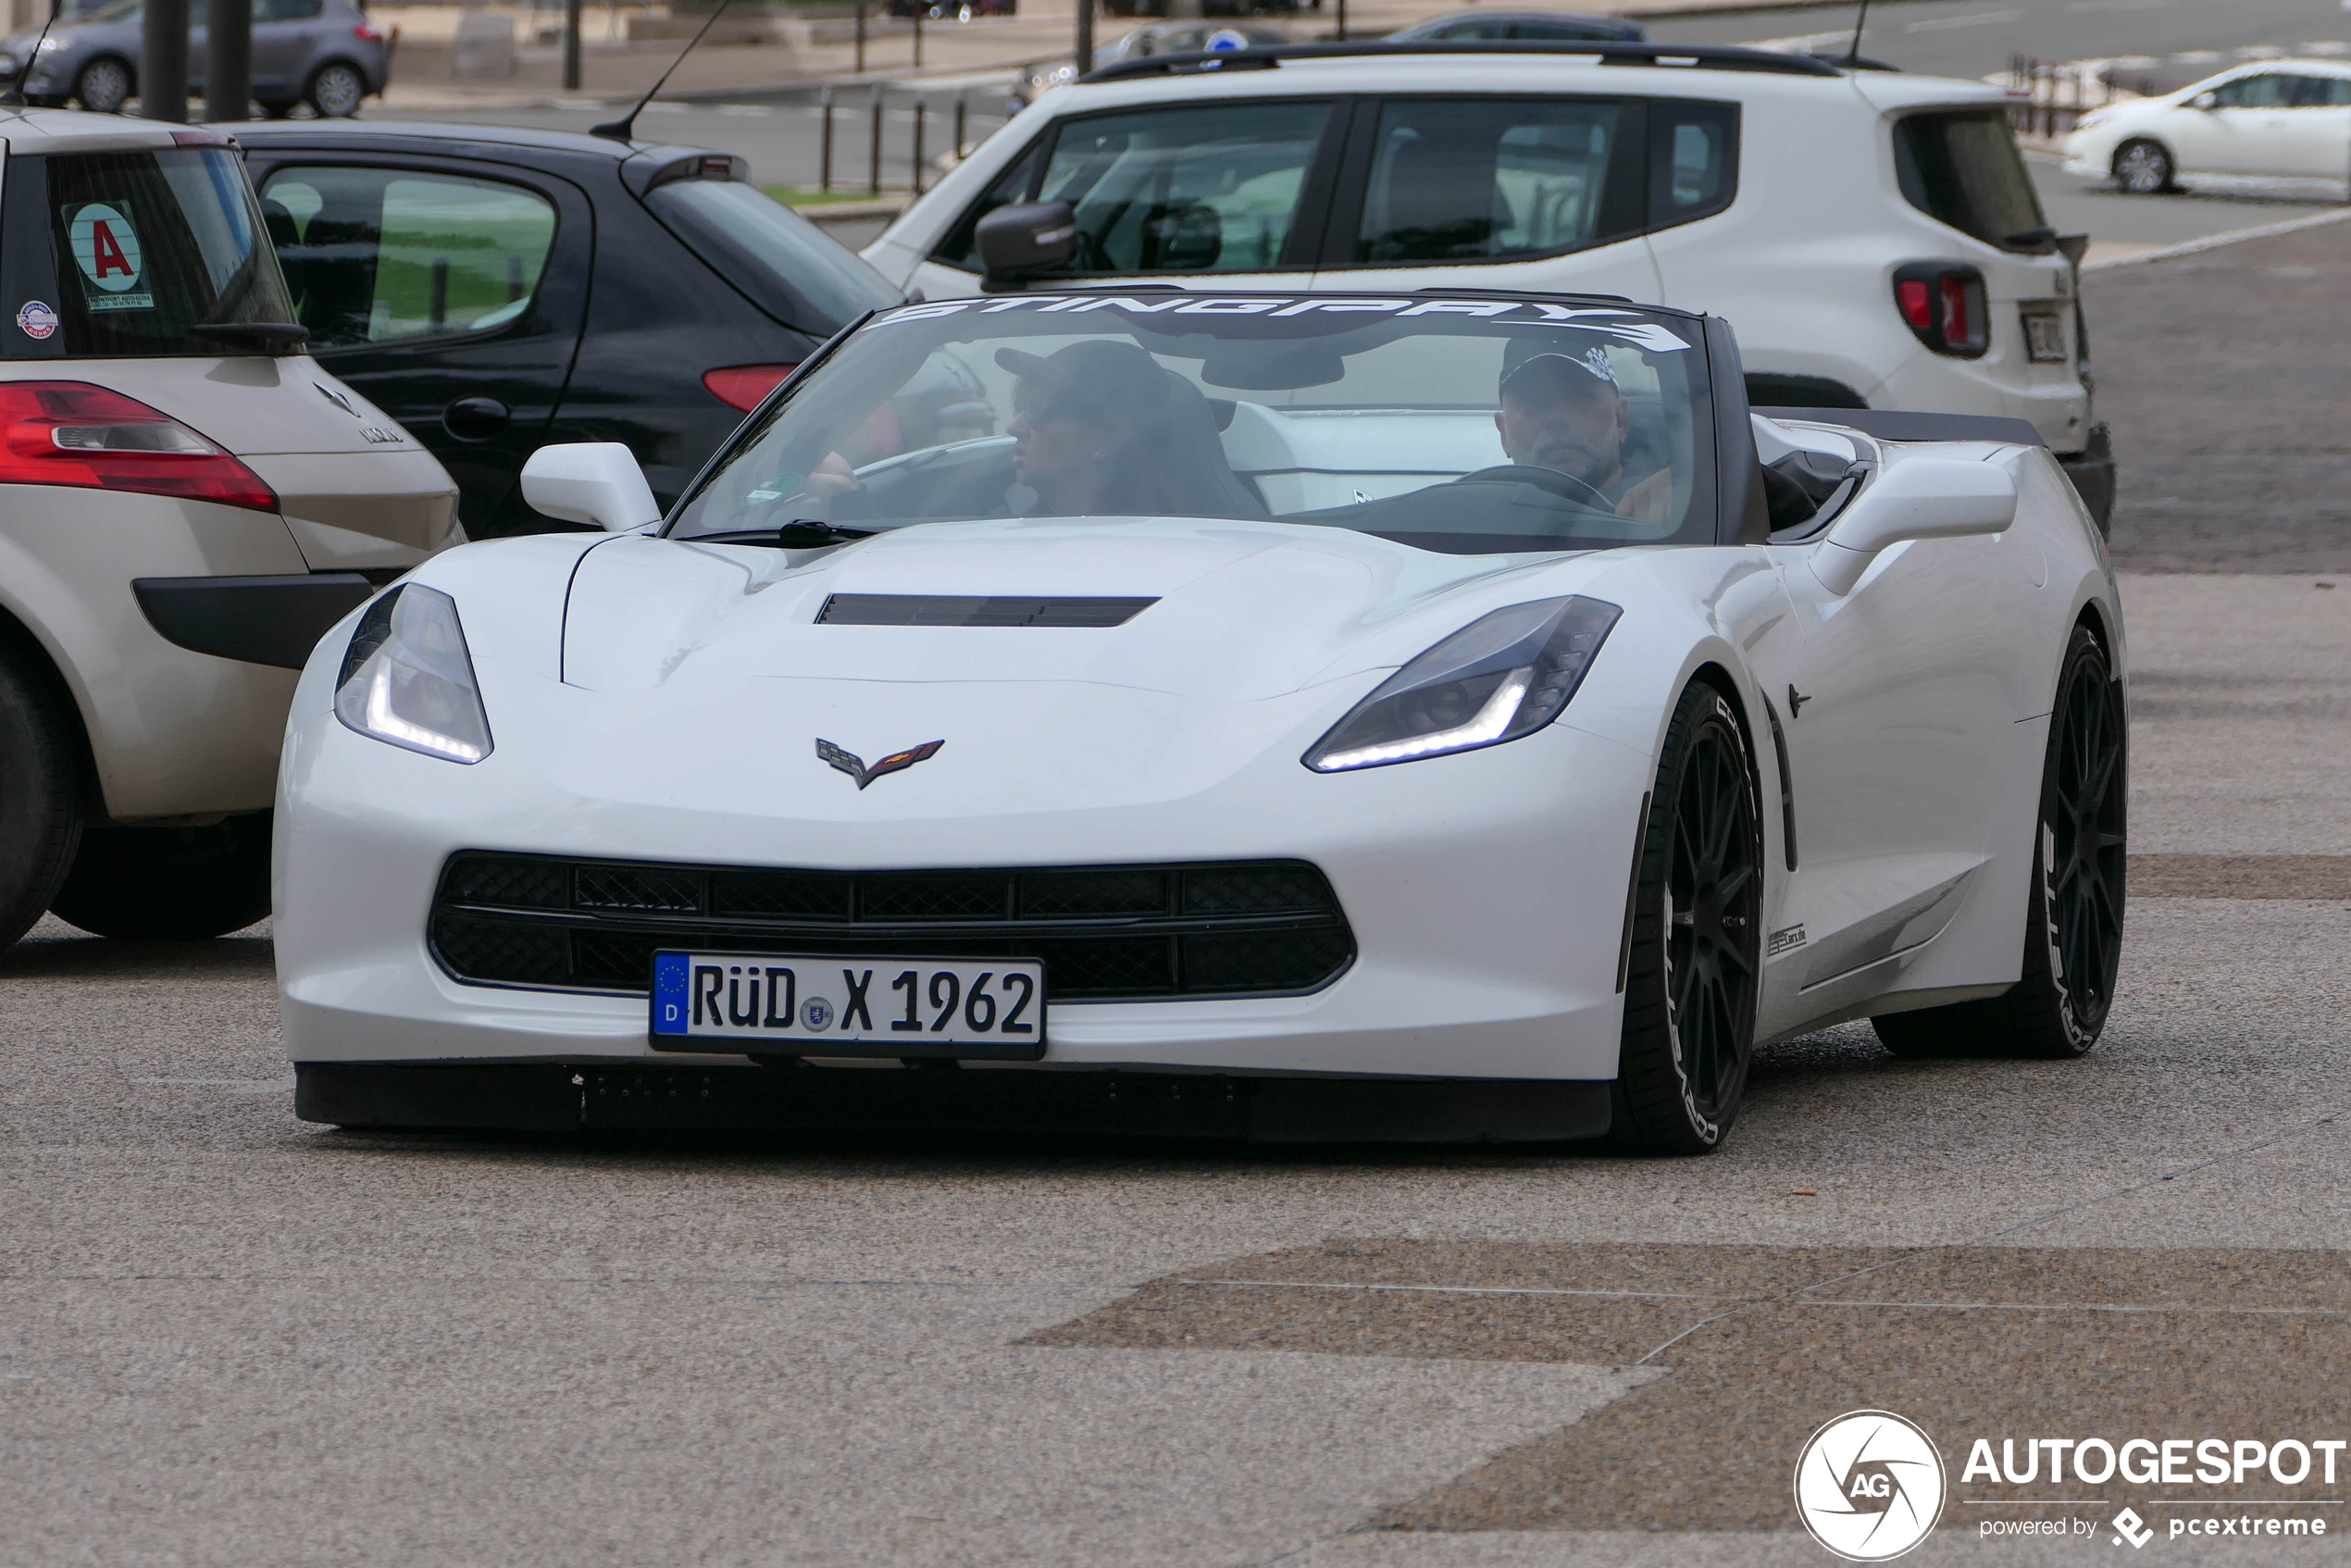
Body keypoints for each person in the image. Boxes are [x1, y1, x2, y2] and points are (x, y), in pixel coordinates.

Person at [993, 341, 1263, 519]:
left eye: (1038, 410)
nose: (1013, 427)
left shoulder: (1173, 552)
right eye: (1020, 409)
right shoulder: (988, 519)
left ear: (1108, 441)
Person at [1494, 342, 1675, 527]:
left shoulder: (1676, 507)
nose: (1557, 419)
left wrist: (1690, 493)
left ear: (1621, 420)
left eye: (1579, 400)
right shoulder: (1479, 520)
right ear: (1504, 435)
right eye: (1533, 404)